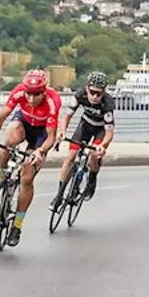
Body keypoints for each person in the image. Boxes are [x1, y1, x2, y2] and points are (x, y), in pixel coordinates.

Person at [0, 69, 63, 245]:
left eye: (36, 95)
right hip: (24, 122)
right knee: (8, 139)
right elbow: (0, 118)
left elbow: (51, 137)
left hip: (42, 133)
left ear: (44, 91)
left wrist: (40, 151)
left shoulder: (52, 101)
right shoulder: (19, 92)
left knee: (26, 178)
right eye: (28, 94)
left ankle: (17, 226)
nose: (31, 99)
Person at [58, 70, 116, 202]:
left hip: (100, 130)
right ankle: (59, 194)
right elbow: (66, 116)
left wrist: (103, 145)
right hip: (85, 125)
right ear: (86, 88)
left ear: (104, 92)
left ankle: (92, 178)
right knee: (70, 158)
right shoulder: (79, 95)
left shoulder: (108, 104)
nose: (95, 96)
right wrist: (62, 132)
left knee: (93, 155)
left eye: (99, 93)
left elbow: (109, 132)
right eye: (92, 92)